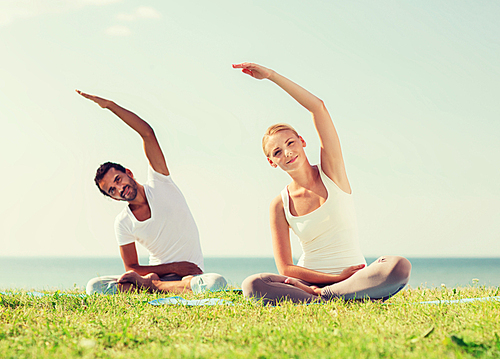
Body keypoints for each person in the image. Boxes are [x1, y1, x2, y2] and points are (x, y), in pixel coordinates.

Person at [232, 63, 411, 305]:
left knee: (398, 266)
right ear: (272, 162)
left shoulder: (331, 172)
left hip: (354, 278)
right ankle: (331, 296)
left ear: (302, 141)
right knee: (253, 284)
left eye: (290, 143)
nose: (286, 153)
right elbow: (285, 267)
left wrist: (272, 76)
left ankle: (325, 297)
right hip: (309, 283)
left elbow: (318, 108)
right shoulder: (279, 204)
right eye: (277, 152)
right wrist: (330, 278)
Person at [77, 90, 227, 295]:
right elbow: (132, 268)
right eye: (112, 190)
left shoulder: (160, 182)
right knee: (94, 287)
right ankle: (156, 286)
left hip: (190, 277)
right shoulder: (123, 222)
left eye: (118, 180)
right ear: (112, 197)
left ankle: (152, 287)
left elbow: (147, 132)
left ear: (128, 173)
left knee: (215, 283)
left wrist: (110, 106)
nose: (120, 189)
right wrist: (173, 268)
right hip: (160, 275)